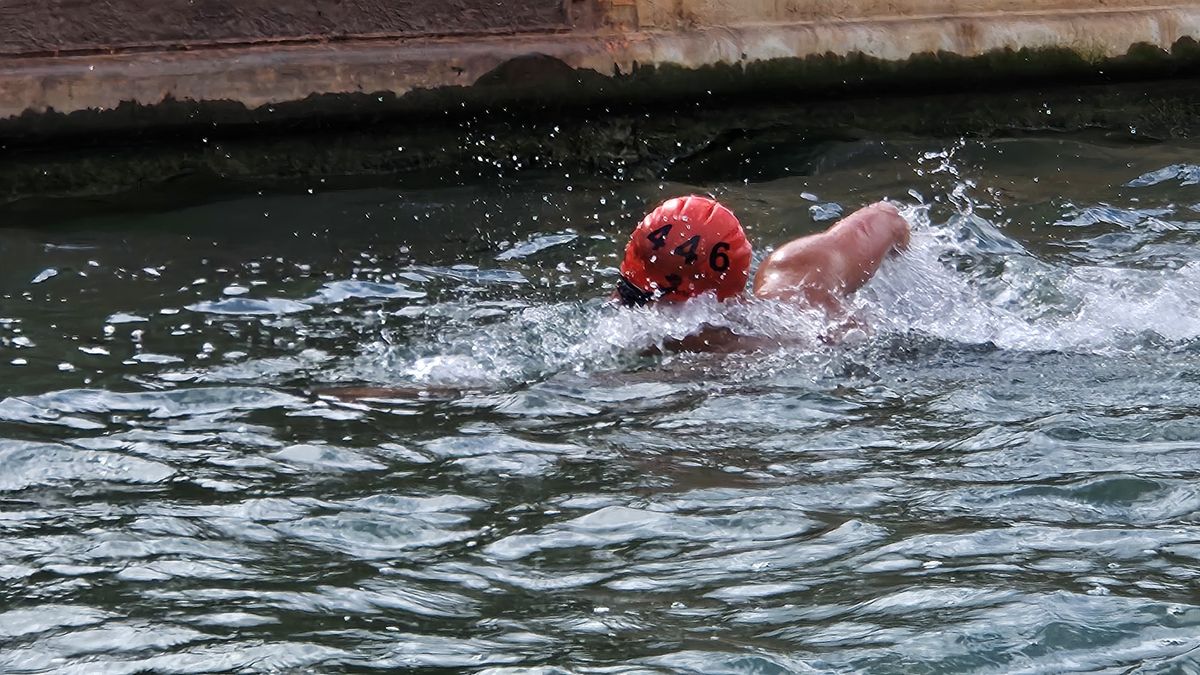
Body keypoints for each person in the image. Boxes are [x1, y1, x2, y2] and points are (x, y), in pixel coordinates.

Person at [616, 194, 910, 349]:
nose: (619, 298)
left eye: (633, 294)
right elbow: (887, 217)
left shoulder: (696, 358)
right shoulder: (798, 273)